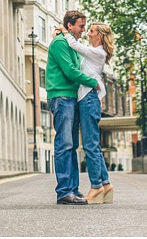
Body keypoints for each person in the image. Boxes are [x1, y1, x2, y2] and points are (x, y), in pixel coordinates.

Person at [45, 10, 99, 205]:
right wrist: (92, 82)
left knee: (72, 146)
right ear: (70, 26)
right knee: (64, 144)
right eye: (81, 26)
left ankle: (73, 190)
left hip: (71, 97)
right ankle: (64, 192)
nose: (83, 30)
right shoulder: (60, 43)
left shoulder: (69, 43)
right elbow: (70, 71)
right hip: (61, 96)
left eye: (85, 27)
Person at [66, 22, 115, 204]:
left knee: (90, 144)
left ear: (100, 36)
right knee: (92, 144)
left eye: (92, 31)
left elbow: (75, 45)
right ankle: (106, 184)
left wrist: (65, 32)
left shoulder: (98, 52)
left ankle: (96, 187)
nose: (88, 34)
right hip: (88, 98)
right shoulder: (97, 53)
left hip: (88, 99)